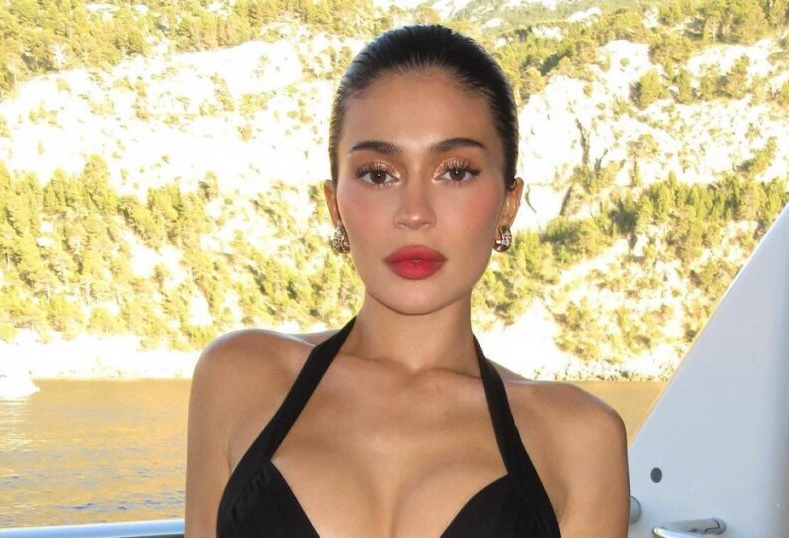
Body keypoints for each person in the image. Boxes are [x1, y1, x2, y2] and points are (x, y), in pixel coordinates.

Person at [185, 24, 629, 537]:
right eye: (379, 174)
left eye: (455, 171)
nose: (414, 212)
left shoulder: (579, 439)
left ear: (508, 204)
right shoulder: (240, 378)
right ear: (335, 204)